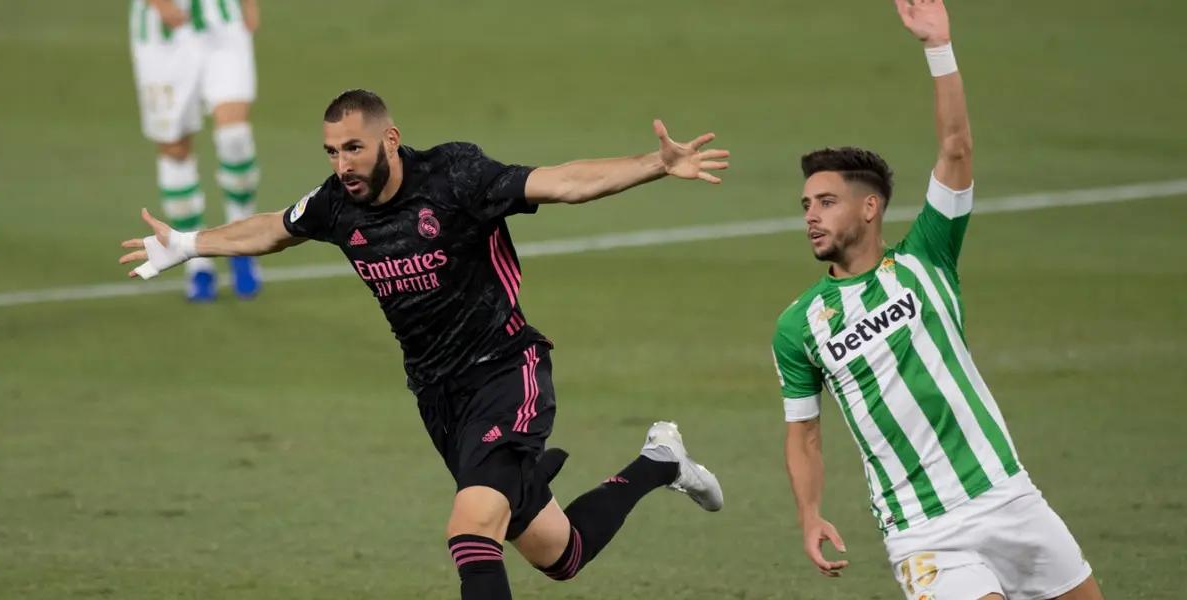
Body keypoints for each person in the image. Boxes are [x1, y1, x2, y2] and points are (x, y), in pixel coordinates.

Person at [119, 89, 728, 599]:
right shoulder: (337, 204)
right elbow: (275, 229)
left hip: (505, 371)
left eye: (353, 147)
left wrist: (655, 163)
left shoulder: (455, 177)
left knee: (469, 532)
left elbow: (563, 182)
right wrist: (190, 243)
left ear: (389, 139)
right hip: (439, 399)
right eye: (331, 152)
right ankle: (660, 462)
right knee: (559, 554)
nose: (342, 165)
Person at [772, 2, 1104, 598]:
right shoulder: (799, 326)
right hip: (925, 530)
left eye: (825, 202)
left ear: (869, 207)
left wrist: (938, 48)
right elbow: (804, 434)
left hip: (1010, 495)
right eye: (805, 206)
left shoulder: (927, 256)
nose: (811, 218)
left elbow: (956, 150)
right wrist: (809, 513)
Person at [129, 0, 262, 301]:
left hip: (222, 20)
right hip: (160, 31)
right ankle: (196, 261)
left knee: (235, 136)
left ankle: (242, 243)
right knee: (175, 149)